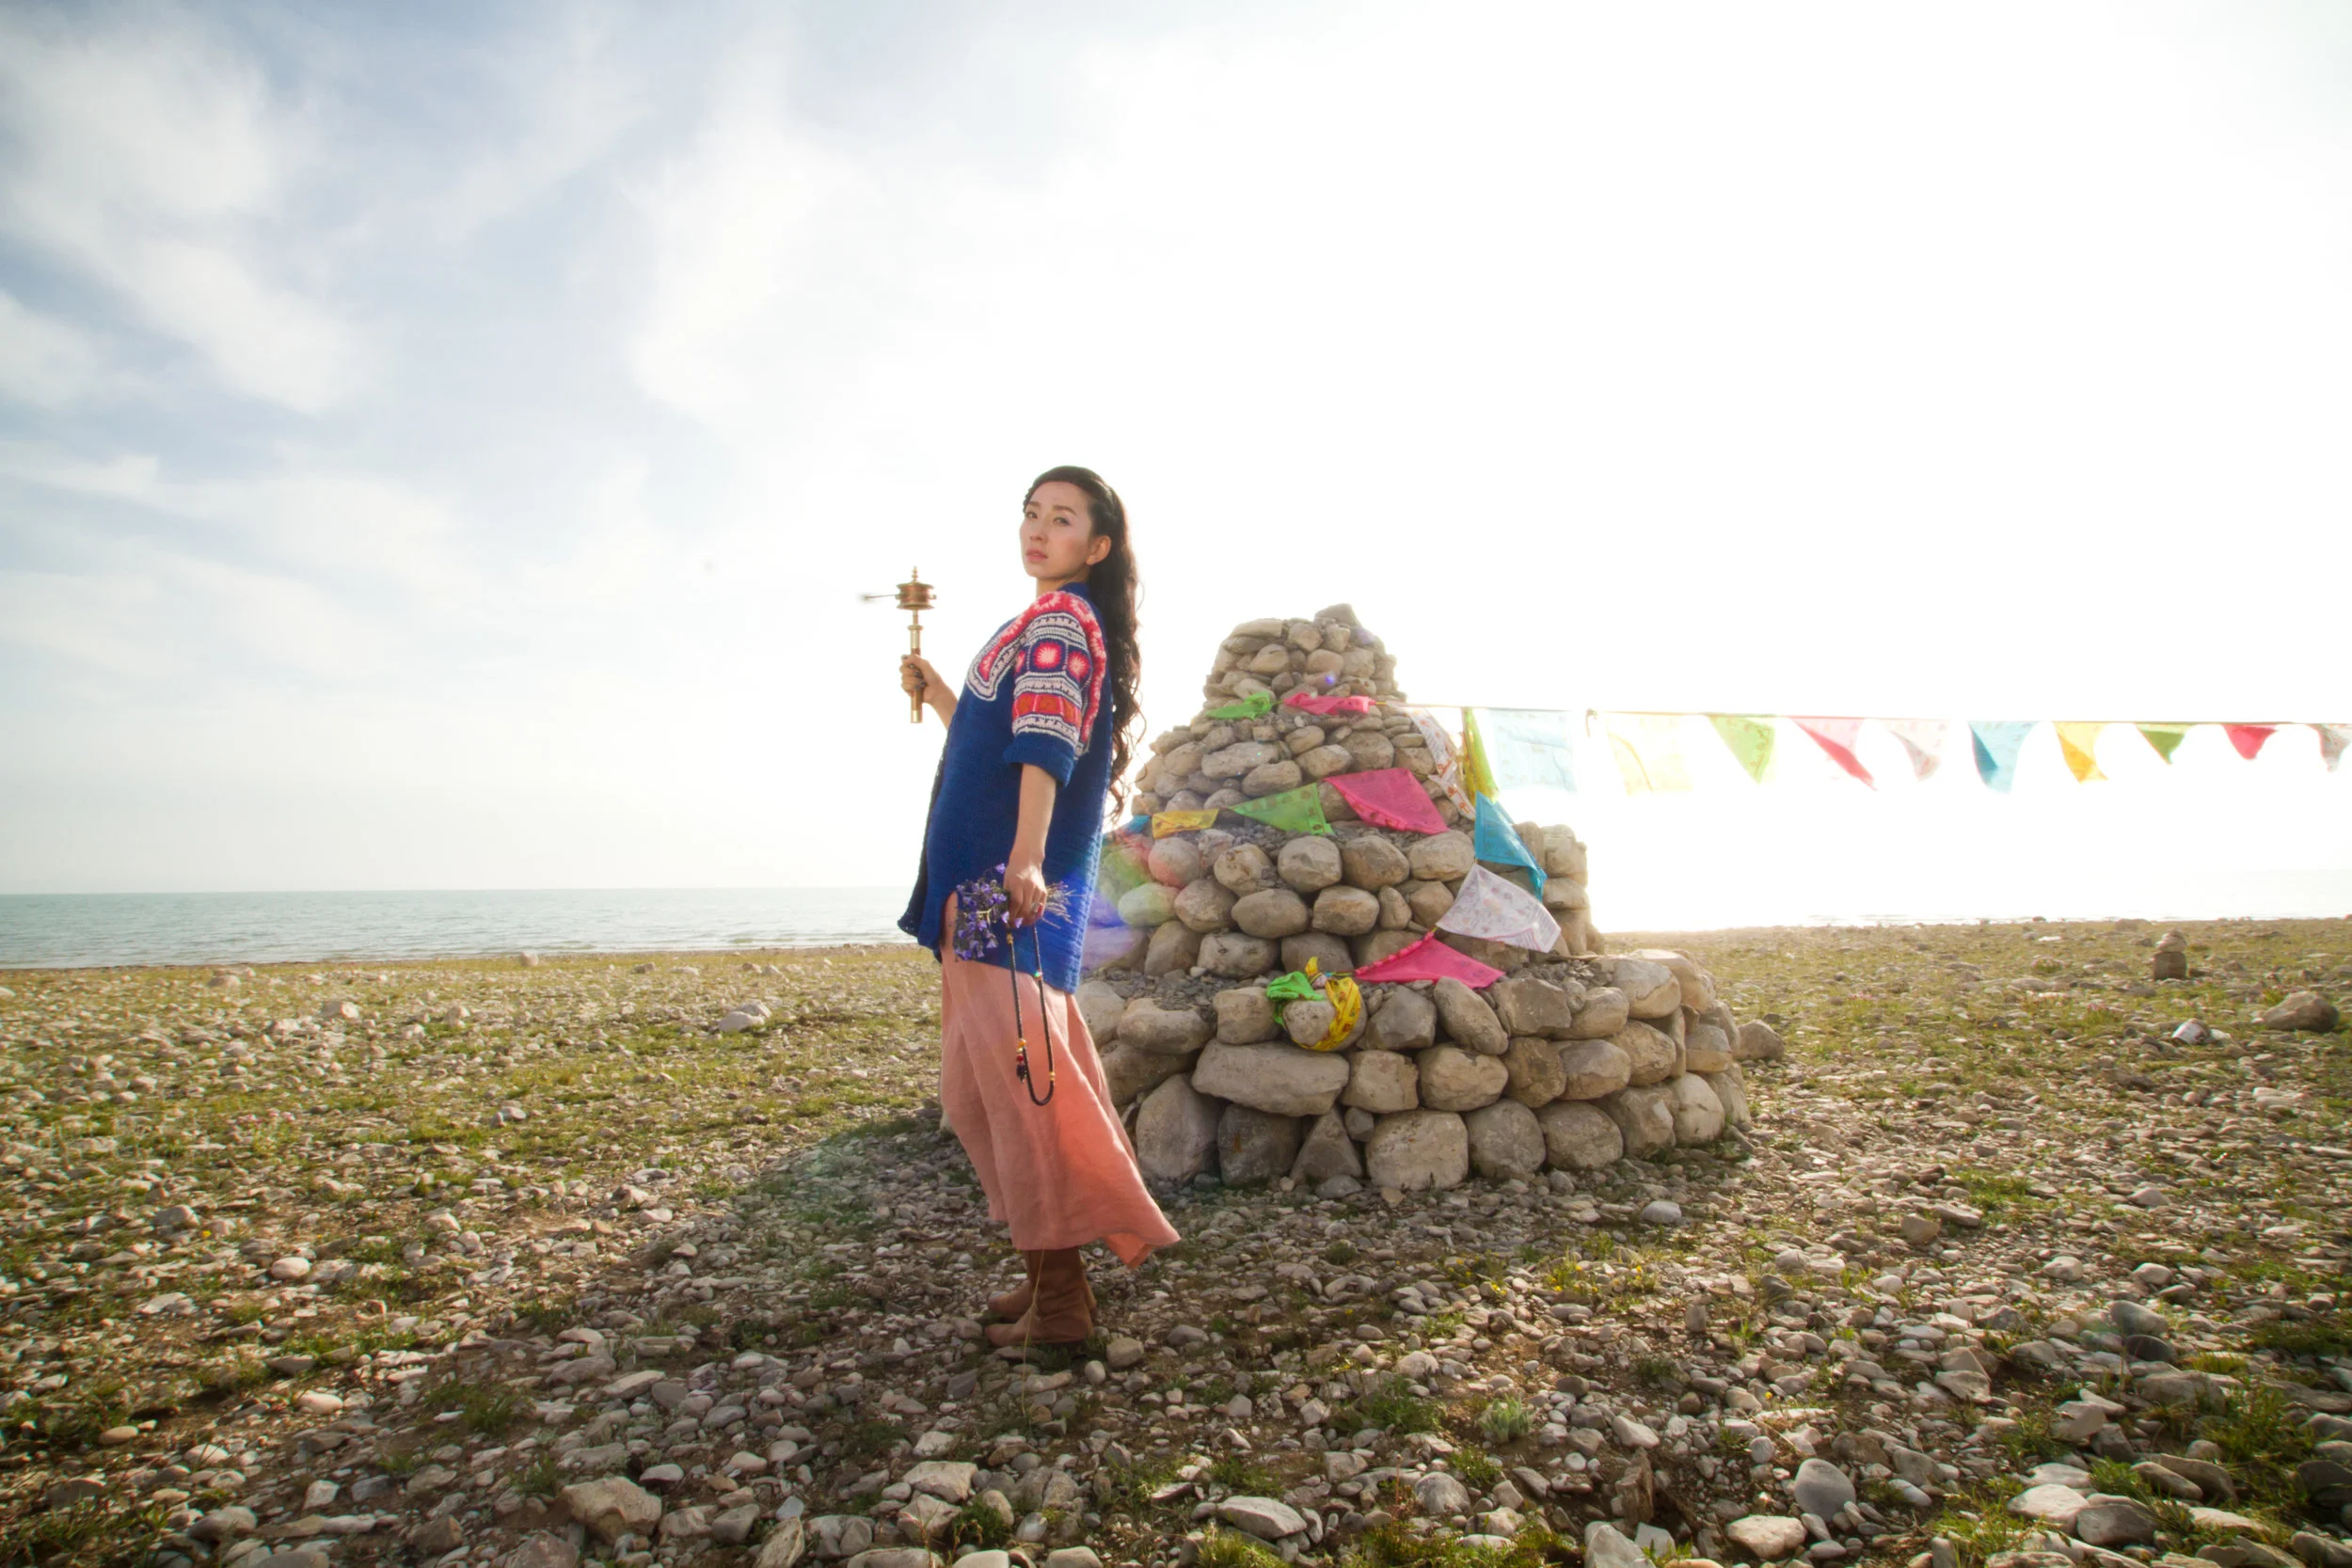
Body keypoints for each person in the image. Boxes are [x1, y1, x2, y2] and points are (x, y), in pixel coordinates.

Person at [897, 466, 1178, 1350]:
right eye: (1030, 513)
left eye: (1061, 519)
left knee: (1020, 1091)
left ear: (1095, 547)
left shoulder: (1060, 619)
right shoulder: (1043, 621)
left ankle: (1062, 1304)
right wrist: (945, 695)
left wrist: (1024, 859)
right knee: (996, 1085)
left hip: (1002, 894)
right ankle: (1053, 1277)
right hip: (993, 887)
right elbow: (1005, 741)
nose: (1038, 529)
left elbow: (1047, 742)